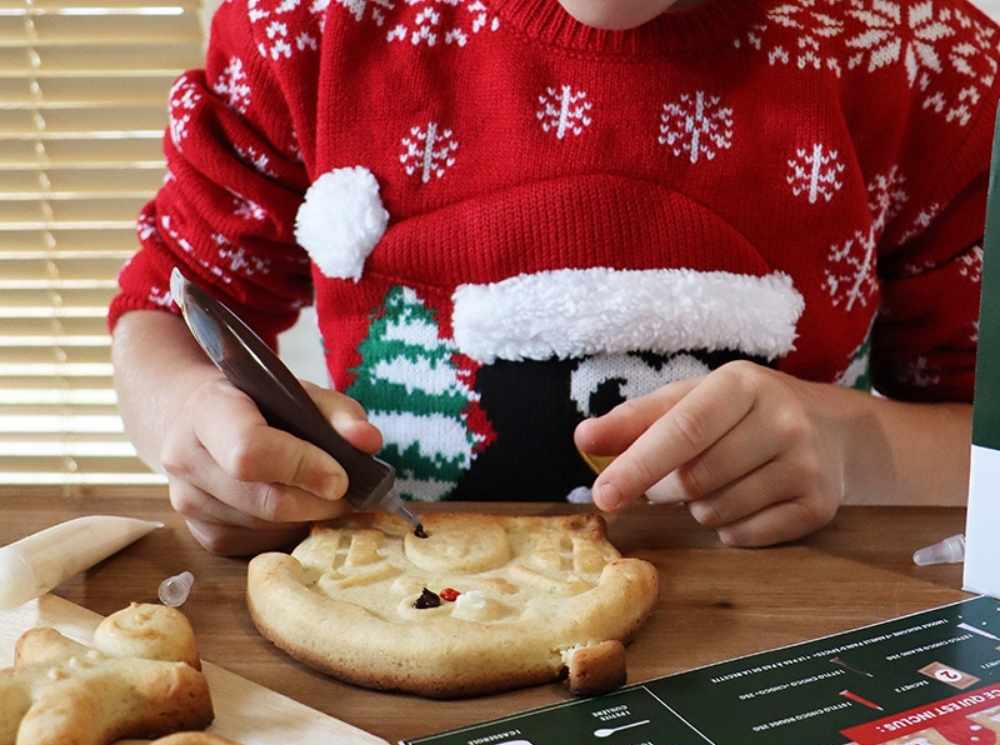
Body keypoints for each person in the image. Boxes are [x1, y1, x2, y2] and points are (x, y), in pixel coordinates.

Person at [110, 0, 994, 554]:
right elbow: (169, 308)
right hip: (402, 624)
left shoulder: (920, 52)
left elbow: (976, 442)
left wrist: (853, 449)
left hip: (785, 652)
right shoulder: (308, 24)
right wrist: (197, 423)